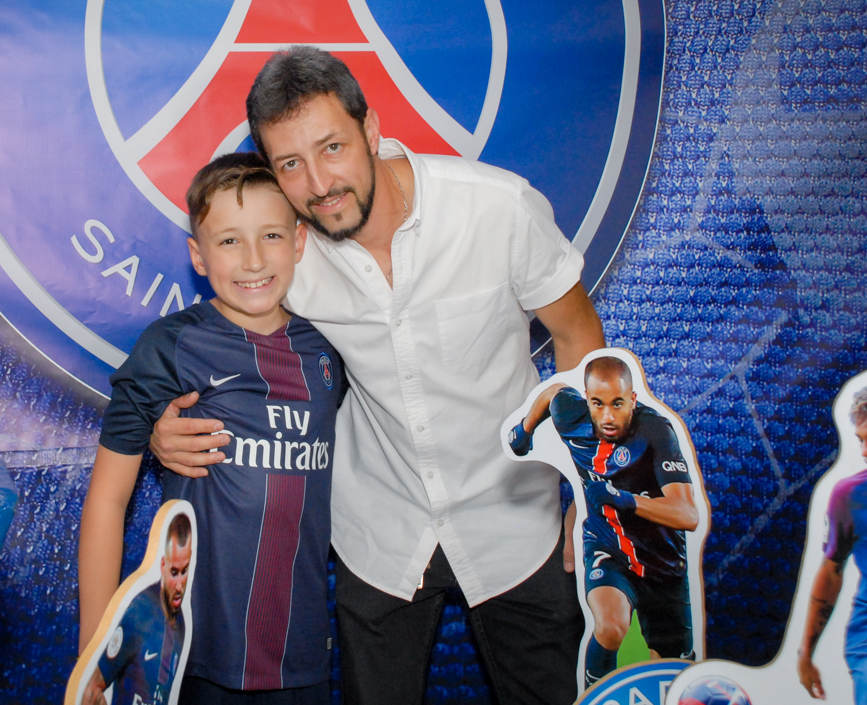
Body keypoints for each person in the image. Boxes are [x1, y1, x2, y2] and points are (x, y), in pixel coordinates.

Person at [151, 46, 605, 705]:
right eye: (291, 164)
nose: (319, 182)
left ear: (371, 129)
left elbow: (577, 334)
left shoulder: (497, 208)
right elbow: (219, 342)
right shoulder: (290, 253)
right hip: (379, 531)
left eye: (332, 146)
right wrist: (164, 427)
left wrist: (595, 493)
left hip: (514, 520)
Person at [79, 154, 346, 705]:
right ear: (198, 256)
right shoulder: (170, 347)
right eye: (228, 241)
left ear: (299, 242)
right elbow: (107, 500)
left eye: (270, 235)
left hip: (303, 660)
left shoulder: (333, 349)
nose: (253, 259)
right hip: (189, 661)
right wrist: (95, 657)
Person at [508, 355, 699, 688]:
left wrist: (626, 500)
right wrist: (524, 431)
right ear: (587, 399)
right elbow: (552, 392)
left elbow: (687, 515)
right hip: (606, 546)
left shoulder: (655, 431)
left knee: (674, 674)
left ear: (633, 400)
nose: (608, 416)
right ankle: (595, 694)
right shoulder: (572, 414)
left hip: (663, 563)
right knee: (611, 628)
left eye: (618, 404)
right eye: (598, 403)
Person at [798, 380, 867, 703]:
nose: (866, 452)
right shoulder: (850, 496)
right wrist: (806, 653)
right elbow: (830, 573)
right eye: (861, 440)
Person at [86, 513, 192, 705]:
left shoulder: (183, 625)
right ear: (163, 565)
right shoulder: (141, 611)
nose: (179, 585)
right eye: (174, 572)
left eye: (184, 571)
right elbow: (92, 688)